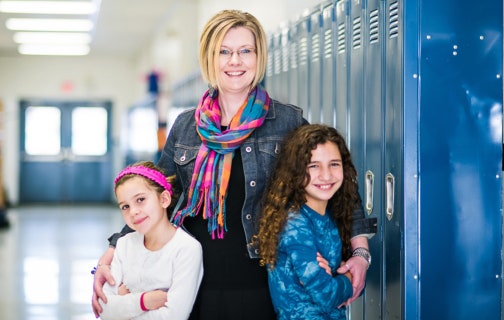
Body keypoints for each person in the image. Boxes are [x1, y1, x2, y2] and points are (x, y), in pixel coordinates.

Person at [92, 9, 376, 319]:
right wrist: (114, 250)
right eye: (224, 52)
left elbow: (335, 183)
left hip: (261, 278)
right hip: (192, 278)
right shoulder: (186, 126)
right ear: (209, 58)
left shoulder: (286, 122)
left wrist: (359, 251)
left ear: (259, 57)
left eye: (245, 51)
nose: (235, 61)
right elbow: (155, 195)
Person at [256, 124, 359, 319]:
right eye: (314, 166)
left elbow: (349, 290)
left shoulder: (329, 215)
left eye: (334, 164)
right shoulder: (295, 224)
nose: (326, 175)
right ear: (296, 171)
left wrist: (338, 278)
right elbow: (328, 295)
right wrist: (348, 276)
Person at [98, 161, 203, 319]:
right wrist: (142, 302)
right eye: (125, 206)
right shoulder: (124, 244)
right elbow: (103, 309)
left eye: (140, 200)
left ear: (164, 199)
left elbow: (174, 316)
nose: (133, 211)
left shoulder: (187, 249)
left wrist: (122, 304)